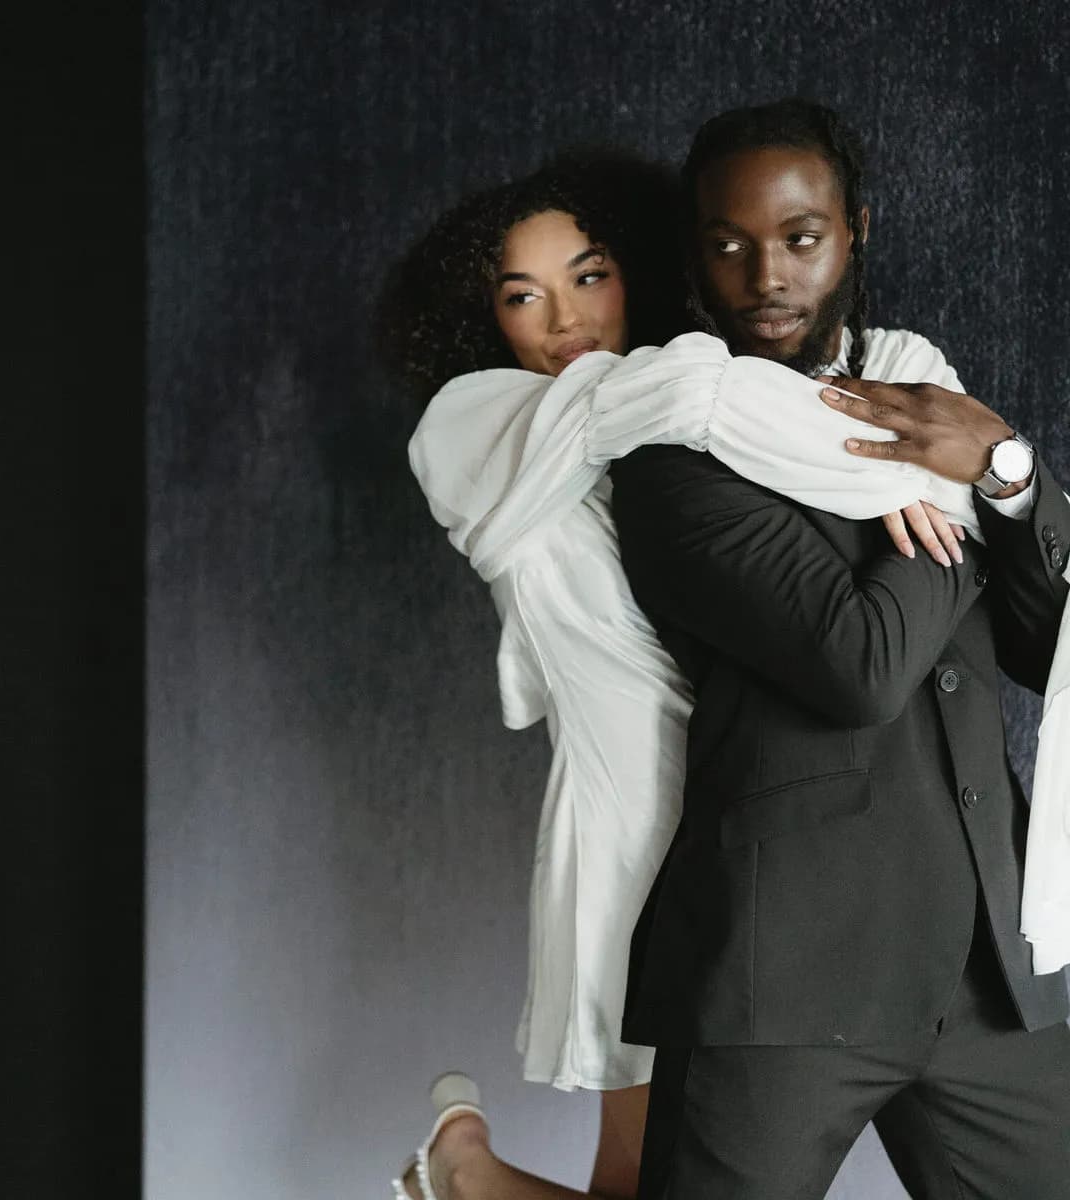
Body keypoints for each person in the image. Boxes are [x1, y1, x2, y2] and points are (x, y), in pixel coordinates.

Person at [383, 152, 978, 1200]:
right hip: (629, 833)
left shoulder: (680, 431)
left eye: (589, 273)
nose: (563, 316)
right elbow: (677, 391)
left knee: (647, 1179)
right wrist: (924, 455)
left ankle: (464, 1176)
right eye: (521, 294)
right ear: (485, 318)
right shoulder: (474, 423)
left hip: (727, 820)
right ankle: (464, 1173)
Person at [609, 98, 1070, 1199]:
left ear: (853, 231)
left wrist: (1006, 469)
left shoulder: (924, 402)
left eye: (800, 238)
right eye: (730, 244)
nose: (766, 274)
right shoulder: (675, 450)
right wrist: (949, 482)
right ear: (696, 256)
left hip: (985, 977)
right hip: (783, 982)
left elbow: (1048, 644)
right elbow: (857, 666)